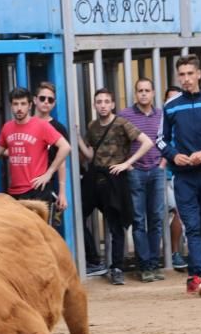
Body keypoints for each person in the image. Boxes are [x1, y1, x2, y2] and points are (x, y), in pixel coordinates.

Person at [156, 56, 201, 297]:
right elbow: (160, 139)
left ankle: (192, 275)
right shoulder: (171, 106)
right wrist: (174, 155)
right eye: (182, 75)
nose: (186, 79)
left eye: (190, 73)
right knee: (193, 226)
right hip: (183, 176)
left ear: (199, 74)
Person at [77, 88, 152, 285]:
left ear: (112, 104)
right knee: (78, 216)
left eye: (106, 101)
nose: (102, 105)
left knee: (116, 225)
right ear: (94, 105)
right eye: (99, 101)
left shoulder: (121, 123)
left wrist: (127, 164)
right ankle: (93, 259)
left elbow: (147, 142)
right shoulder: (92, 126)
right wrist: (77, 138)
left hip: (115, 177)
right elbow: (91, 156)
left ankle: (117, 267)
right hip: (95, 177)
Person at [0, 87, 71, 248]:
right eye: (15, 104)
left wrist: (49, 173)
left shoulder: (41, 126)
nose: (19, 108)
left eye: (23, 104)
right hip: (15, 193)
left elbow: (65, 147)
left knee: (41, 239)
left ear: (30, 105)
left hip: (37, 191)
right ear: (11, 106)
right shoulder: (7, 127)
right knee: (20, 240)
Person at [119, 78, 166, 282]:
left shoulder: (162, 115)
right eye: (140, 90)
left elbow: (169, 140)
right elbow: (118, 142)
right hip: (135, 172)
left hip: (157, 170)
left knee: (156, 219)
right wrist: (127, 165)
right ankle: (144, 265)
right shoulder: (125, 115)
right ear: (135, 94)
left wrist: (163, 163)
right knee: (139, 220)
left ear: (153, 93)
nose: (144, 94)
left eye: (147, 90)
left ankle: (154, 263)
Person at [29, 81, 71, 229]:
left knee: (47, 229)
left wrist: (62, 192)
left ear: (54, 103)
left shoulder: (58, 128)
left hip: (47, 185)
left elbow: (62, 161)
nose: (46, 102)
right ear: (34, 100)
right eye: (42, 98)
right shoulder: (25, 124)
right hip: (25, 184)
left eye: (50, 99)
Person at [163, 86, 187, 272]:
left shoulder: (186, 121)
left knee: (180, 214)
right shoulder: (160, 119)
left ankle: (174, 252)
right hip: (161, 174)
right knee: (158, 217)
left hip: (180, 174)